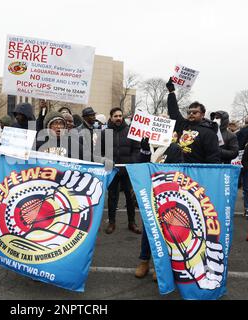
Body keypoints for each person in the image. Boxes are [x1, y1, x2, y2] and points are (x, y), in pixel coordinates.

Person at [134, 136, 184, 280]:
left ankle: (160, 265)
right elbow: (138, 166)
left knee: (166, 230)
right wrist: (144, 151)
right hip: (148, 193)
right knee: (148, 228)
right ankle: (144, 261)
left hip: (166, 193)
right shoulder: (147, 145)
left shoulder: (174, 147)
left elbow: (178, 169)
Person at [104, 107, 141, 235]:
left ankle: (132, 223)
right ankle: (112, 222)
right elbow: (99, 152)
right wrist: (106, 161)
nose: (118, 118)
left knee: (130, 198)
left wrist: (131, 162)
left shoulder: (131, 131)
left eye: (120, 116)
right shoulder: (105, 133)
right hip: (112, 171)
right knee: (112, 197)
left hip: (127, 170)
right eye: (116, 116)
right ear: (111, 117)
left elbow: (137, 149)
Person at [166, 78, 220, 164]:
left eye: (195, 112)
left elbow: (213, 158)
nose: (191, 114)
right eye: (189, 112)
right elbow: (173, 111)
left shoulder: (209, 133)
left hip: (196, 172)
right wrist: (171, 92)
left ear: (202, 114)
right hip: (177, 170)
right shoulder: (183, 124)